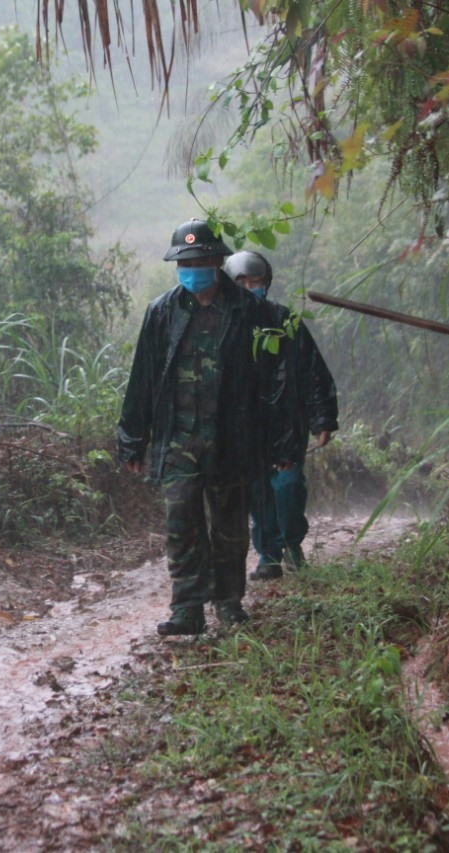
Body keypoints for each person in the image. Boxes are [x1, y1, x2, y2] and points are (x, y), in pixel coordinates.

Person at [118, 220, 268, 636]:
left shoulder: (248, 309)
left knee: (230, 525)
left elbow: (268, 381)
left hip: (230, 437)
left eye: (201, 260)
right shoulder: (162, 312)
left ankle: (229, 601)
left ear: (218, 262)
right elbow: (143, 379)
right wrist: (133, 439)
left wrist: (275, 440)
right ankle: (187, 608)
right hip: (179, 437)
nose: (193, 269)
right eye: (185, 263)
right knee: (181, 523)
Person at [225, 250, 339, 579]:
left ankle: (291, 544)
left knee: (287, 487)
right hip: (247, 430)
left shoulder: (286, 322)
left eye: (255, 281)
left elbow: (313, 373)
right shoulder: (223, 328)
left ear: (266, 283)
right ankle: (268, 557)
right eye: (241, 282)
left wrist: (323, 419)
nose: (249, 287)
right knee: (260, 494)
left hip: (288, 425)